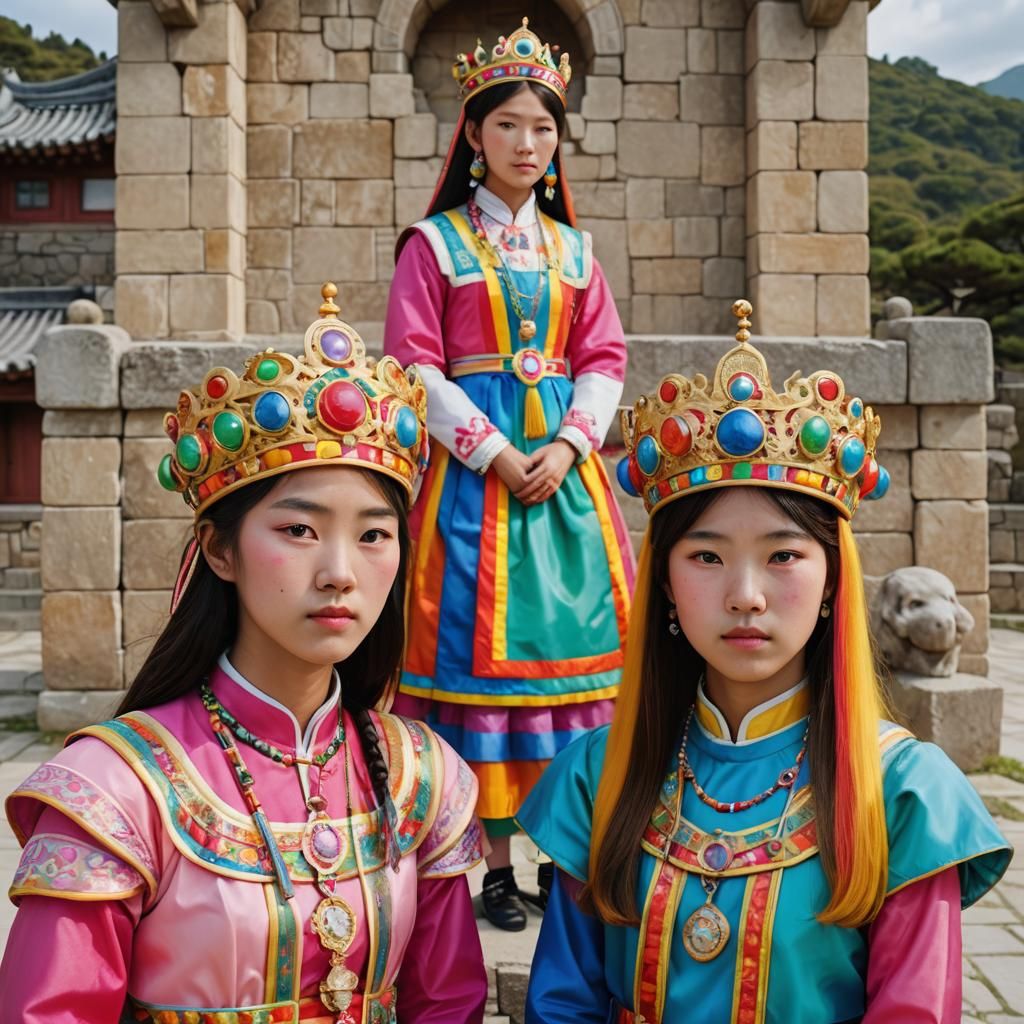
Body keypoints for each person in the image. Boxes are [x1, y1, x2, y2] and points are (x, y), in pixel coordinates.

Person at [1, 285, 488, 1024]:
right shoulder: (115, 792)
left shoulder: (422, 779)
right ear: (219, 550)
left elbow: (448, 1005)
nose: (340, 572)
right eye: (298, 530)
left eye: (373, 534)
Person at [518, 300, 1012, 1023]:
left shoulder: (904, 792)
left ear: (832, 581)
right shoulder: (602, 772)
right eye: (707, 557)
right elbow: (562, 1003)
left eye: (782, 555)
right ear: (664, 580)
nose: (745, 596)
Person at [383, 18, 635, 931]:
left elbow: (603, 359)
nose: (529, 144)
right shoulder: (434, 245)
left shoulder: (578, 252)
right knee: (473, 672)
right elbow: (414, 367)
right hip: (469, 488)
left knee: (579, 668)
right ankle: (490, 859)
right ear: (473, 135)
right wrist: (492, 450)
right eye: (509, 127)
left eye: (544, 128)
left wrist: (569, 445)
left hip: (567, 488)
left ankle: (570, 848)